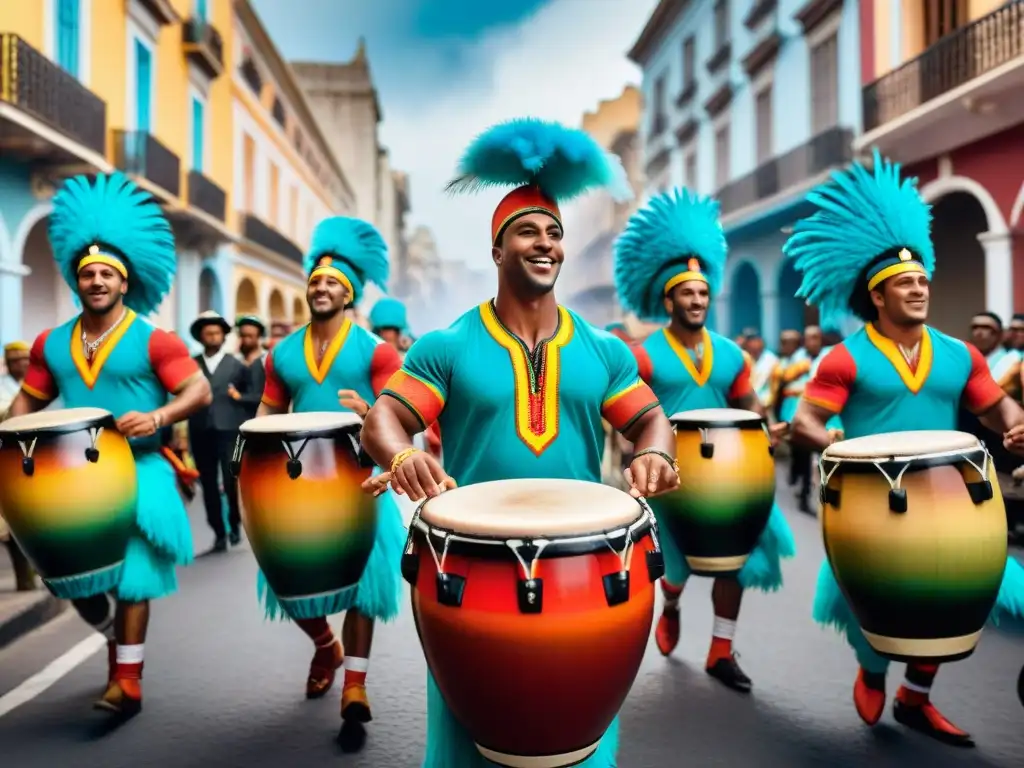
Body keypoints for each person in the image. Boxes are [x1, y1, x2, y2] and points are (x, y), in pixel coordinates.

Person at [359, 118, 678, 768]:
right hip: (467, 575)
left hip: (585, 572)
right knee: (468, 749)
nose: (545, 244)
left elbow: (650, 420)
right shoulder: (448, 346)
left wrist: (656, 452)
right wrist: (402, 455)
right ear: (497, 249)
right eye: (527, 231)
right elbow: (383, 419)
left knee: (578, 740)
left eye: (555, 232)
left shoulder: (602, 351)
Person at [787, 149, 1024, 746]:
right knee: (879, 607)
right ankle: (872, 670)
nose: (918, 289)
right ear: (878, 295)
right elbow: (803, 421)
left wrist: (1017, 422)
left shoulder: (958, 354)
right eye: (904, 283)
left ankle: (915, 698)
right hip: (873, 502)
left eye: (922, 279)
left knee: (948, 603)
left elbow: (997, 405)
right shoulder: (846, 357)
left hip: (952, 497)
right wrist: (827, 438)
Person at [5, 171, 211, 717]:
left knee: (136, 574)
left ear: (124, 283)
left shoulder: (154, 339)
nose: (96, 281)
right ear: (77, 282)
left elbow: (199, 389)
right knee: (75, 585)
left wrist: (159, 414)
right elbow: (26, 404)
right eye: (87, 273)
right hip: (68, 478)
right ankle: (114, 643)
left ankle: (126, 679)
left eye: (106, 274)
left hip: (141, 469)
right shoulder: (51, 343)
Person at [612, 186, 795, 692]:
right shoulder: (644, 355)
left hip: (732, 475)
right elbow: (627, 413)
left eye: (702, 293)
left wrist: (767, 427)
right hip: (668, 479)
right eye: (686, 293)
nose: (696, 300)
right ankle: (670, 602)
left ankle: (720, 650)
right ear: (667, 298)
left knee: (733, 562)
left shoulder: (734, 355)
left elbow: (749, 404)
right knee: (675, 569)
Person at [255, 215, 405, 752]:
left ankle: (356, 687)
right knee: (293, 587)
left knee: (364, 588)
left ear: (350, 293)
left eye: (333, 283)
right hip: (295, 485)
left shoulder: (376, 351)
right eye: (315, 282)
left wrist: (374, 414)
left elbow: (397, 413)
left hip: (359, 480)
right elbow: (268, 412)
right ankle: (325, 644)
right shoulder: (282, 353)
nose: (321, 288)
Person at [188, 311, 250, 552]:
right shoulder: (192, 364)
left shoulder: (237, 366)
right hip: (200, 429)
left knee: (231, 480)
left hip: (230, 431)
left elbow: (249, 398)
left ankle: (235, 524)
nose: (212, 336)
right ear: (200, 337)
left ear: (224, 336)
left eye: (216, 332)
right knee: (208, 484)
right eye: (207, 333)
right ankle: (218, 532)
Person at [234, 315, 268, 422]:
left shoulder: (267, 360)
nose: (246, 339)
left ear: (258, 336)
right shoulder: (236, 360)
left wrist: (240, 397)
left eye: (250, 336)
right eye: (243, 336)